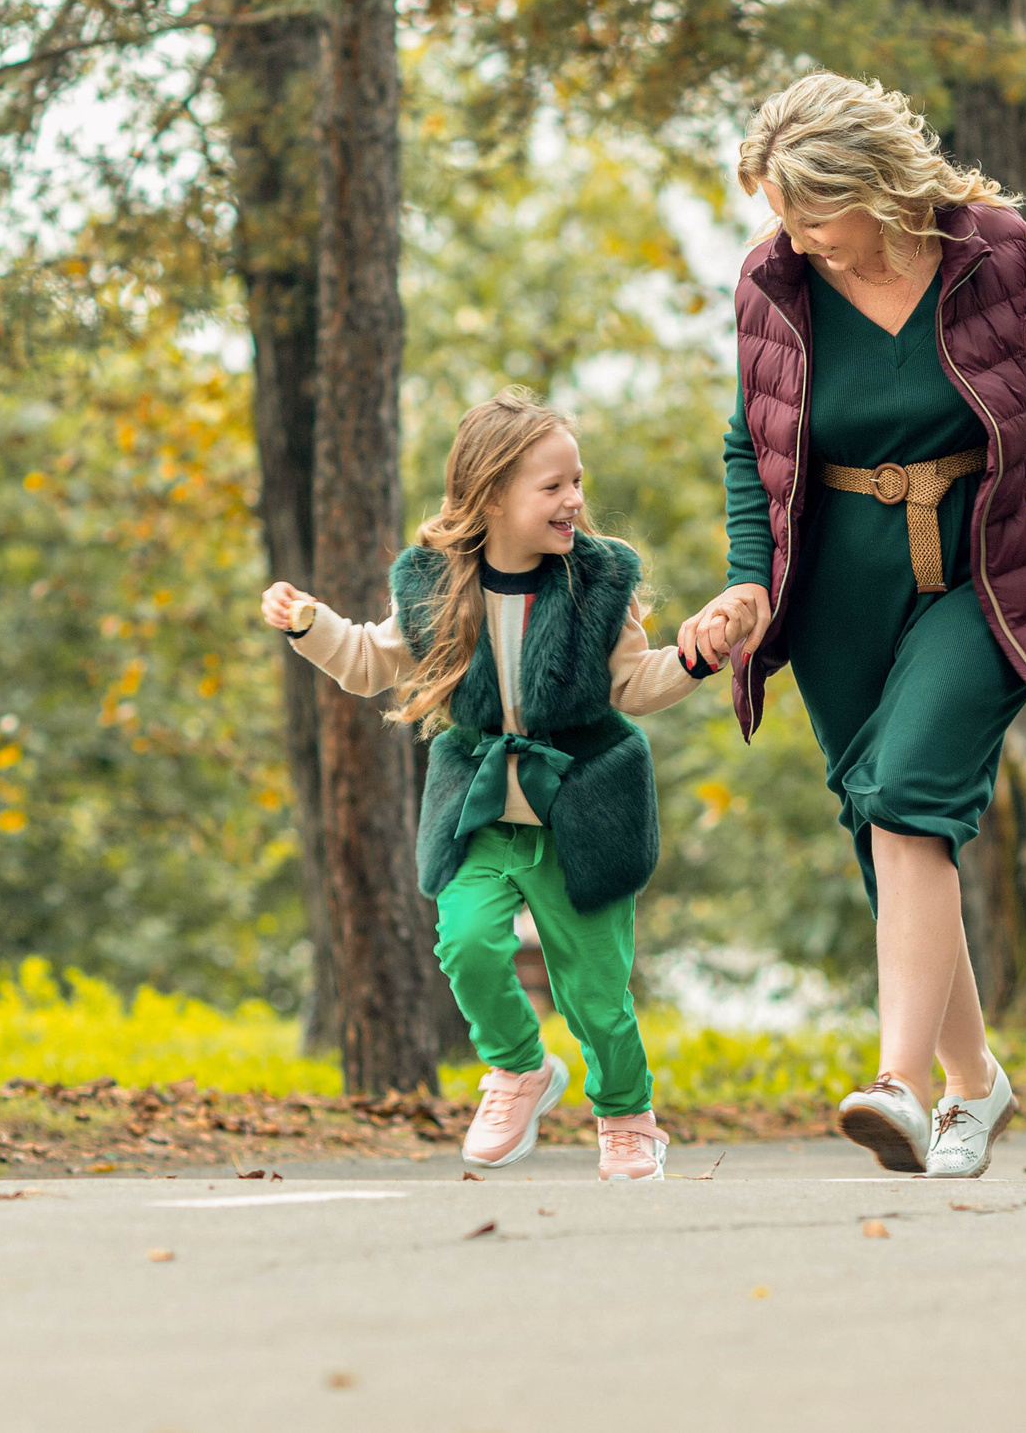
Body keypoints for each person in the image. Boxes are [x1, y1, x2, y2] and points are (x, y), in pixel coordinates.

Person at [675, 73, 1026, 1179]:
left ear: (881, 189)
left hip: (988, 569)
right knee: (886, 828)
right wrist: (750, 588)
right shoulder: (773, 276)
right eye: (778, 213)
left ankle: (895, 1084)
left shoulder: (996, 253)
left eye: (810, 213)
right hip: (837, 581)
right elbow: (750, 449)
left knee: (909, 800)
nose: (791, 236)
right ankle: (974, 1089)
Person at [261, 388, 734, 1181]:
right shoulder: (434, 586)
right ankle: (520, 1068)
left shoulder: (597, 582)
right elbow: (374, 662)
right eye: (552, 487)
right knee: (468, 942)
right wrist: (313, 626)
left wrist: (696, 657)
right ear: (490, 497)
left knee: (595, 993)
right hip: (480, 806)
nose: (574, 499)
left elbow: (633, 682)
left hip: (581, 803)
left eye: (576, 481)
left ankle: (627, 1115)